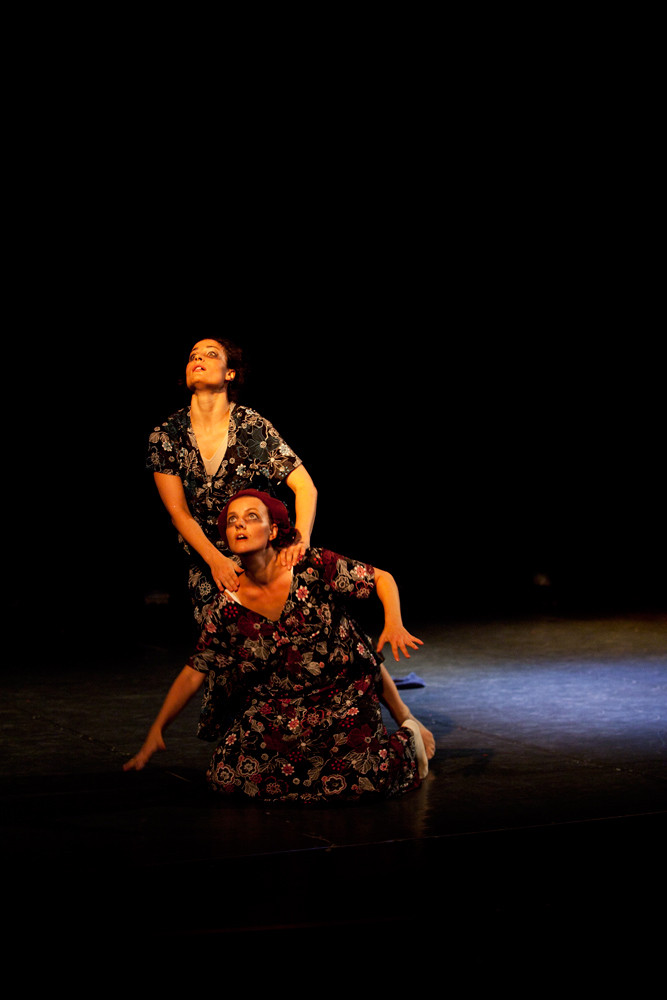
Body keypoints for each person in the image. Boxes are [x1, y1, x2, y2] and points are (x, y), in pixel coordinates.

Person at [124, 489, 435, 803]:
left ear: (273, 530)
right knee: (226, 778)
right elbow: (195, 670)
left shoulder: (309, 565)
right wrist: (158, 728)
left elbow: (381, 578)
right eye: (232, 521)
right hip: (279, 709)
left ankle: (408, 739)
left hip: (340, 696)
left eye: (251, 517)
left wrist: (394, 622)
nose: (239, 525)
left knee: (363, 779)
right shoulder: (226, 607)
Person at [147, 338, 318, 626]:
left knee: (288, 636)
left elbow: (305, 487)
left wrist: (299, 542)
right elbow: (179, 513)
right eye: (193, 355)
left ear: (230, 373)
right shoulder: (166, 436)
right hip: (208, 562)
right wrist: (215, 561)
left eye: (211, 354)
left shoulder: (251, 426)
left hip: (263, 558)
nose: (198, 359)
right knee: (223, 644)